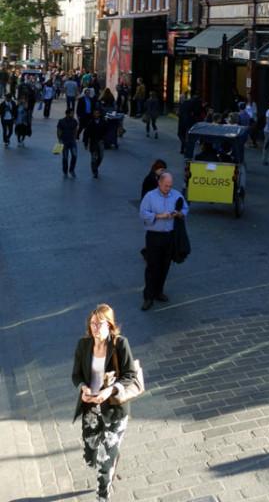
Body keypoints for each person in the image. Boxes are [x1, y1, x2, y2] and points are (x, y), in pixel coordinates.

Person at [72, 303, 137, 502]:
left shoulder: (120, 344)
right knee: (91, 455)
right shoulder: (84, 345)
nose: (96, 327)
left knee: (103, 461)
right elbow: (76, 375)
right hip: (91, 407)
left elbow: (130, 374)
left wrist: (110, 390)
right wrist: (83, 388)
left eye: (100, 323)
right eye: (93, 323)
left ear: (109, 325)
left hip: (114, 409)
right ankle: (112, 455)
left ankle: (102, 496)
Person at [139, 171, 189, 310]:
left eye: (170, 186)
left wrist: (179, 214)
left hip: (169, 236)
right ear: (159, 183)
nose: (168, 189)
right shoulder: (150, 196)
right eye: (166, 185)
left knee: (165, 265)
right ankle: (148, 297)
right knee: (152, 267)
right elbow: (142, 213)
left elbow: (185, 208)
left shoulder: (176, 195)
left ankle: (158, 291)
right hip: (154, 236)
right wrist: (158, 216)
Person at [83, 110, 108, 178]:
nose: (95, 115)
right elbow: (86, 133)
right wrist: (86, 143)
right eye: (94, 113)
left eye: (97, 113)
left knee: (100, 156)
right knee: (93, 157)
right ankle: (94, 171)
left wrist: (104, 139)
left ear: (99, 114)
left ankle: (95, 167)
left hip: (100, 141)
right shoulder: (90, 123)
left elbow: (106, 131)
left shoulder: (103, 122)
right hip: (93, 142)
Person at [57, 107, 79, 177]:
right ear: (67, 114)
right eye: (71, 113)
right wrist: (60, 140)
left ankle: (72, 170)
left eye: (73, 113)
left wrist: (74, 138)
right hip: (64, 142)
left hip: (72, 141)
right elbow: (58, 131)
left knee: (74, 155)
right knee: (65, 158)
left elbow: (76, 130)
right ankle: (65, 171)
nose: (72, 114)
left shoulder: (74, 121)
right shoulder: (61, 121)